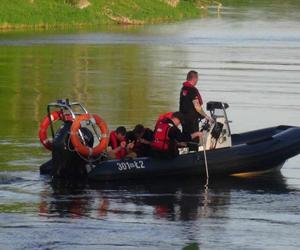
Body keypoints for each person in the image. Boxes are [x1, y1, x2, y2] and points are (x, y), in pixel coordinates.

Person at [179, 70, 212, 136]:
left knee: (185, 136)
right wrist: (205, 116)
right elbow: (197, 106)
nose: (197, 81)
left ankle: (185, 145)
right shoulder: (192, 90)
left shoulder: (183, 88)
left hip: (183, 118)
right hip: (191, 120)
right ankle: (193, 146)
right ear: (194, 78)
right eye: (197, 79)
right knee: (194, 138)